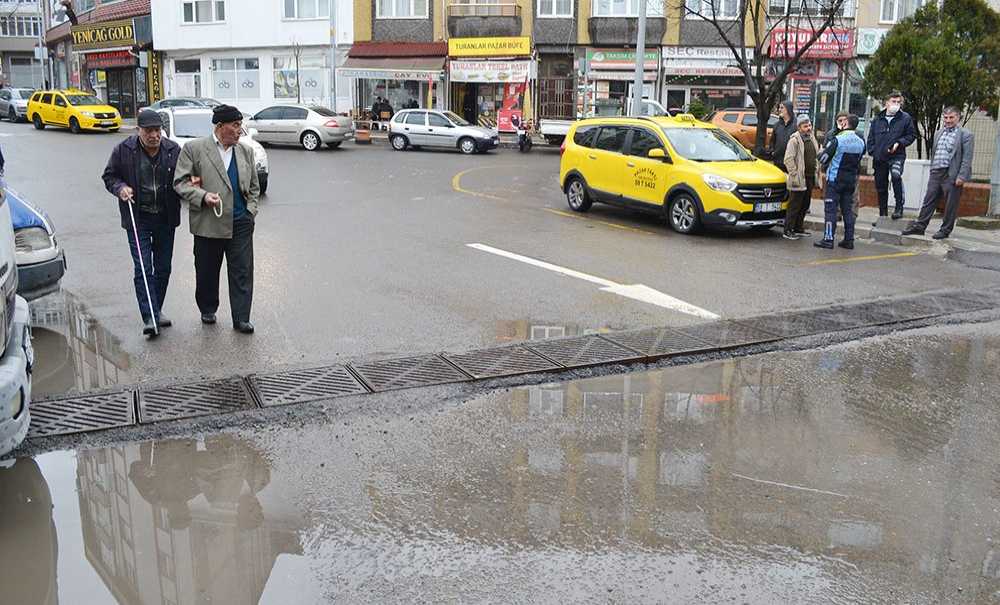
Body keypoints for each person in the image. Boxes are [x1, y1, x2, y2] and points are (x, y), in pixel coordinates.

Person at [174, 104, 260, 334]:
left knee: (242, 272)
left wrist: (250, 211)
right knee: (207, 271)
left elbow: (254, 187)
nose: (239, 130)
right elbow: (180, 183)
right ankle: (208, 308)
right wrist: (202, 196)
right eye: (235, 125)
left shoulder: (245, 152)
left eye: (240, 125)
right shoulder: (194, 149)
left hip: (241, 222)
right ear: (220, 126)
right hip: (208, 223)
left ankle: (241, 318)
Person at [101, 109, 182, 337]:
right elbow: (109, 176)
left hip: (166, 218)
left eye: (157, 130)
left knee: (163, 268)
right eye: (149, 131)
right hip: (138, 219)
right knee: (144, 268)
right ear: (139, 131)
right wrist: (120, 188)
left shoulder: (173, 150)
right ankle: (149, 317)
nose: (154, 135)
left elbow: (184, 177)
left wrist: (193, 183)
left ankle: (155, 309)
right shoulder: (124, 150)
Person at [902, 106, 974, 240]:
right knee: (929, 200)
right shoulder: (938, 133)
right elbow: (935, 152)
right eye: (946, 117)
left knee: (951, 203)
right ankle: (920, 227)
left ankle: (945, 230)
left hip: (952, 173)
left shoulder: (966, 135)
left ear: (958, 118)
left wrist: (962, 176)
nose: (948, 120)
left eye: (951, 117)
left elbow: (967, 158)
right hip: (936, 171)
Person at [814, 113, 865, 250]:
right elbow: (859, 160)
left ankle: (828, 239)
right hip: (851, 180)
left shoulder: (838, 139)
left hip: (835, 180)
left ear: (845, 124)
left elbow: (823, 158)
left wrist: (820, 152)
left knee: (830, 210)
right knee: (847, 211)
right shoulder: (861, 142)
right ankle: (849, 240)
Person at [866, 92, 917, 221]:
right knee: (881, 186)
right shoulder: (878, 119)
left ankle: (899, 207)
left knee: (896, 175)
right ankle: (883, 215)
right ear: (886, 103)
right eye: (893, 101)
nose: (896, 104)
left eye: (898, 102)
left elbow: (911, 136)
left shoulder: (905, 118)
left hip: (896, 155)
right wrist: (873, 151)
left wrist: (899, 143)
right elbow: (871, 138)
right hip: (880, 158)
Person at [782, 114, 819, 240]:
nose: (808, 128)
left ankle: (798, 227)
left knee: (805, 204)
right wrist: (794, 174)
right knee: (794, 205)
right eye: (805, 126)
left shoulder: (812, 138)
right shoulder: (794, 140)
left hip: (809, 177)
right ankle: (788, 229)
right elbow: (788, 159)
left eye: (809, 125)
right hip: (799, 178)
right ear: (799, 128)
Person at [771, 100, 796, 172]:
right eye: (779, 108)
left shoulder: (796, 125)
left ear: (788, 109)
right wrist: (773, 151)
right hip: (778, 162)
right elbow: (772, 141)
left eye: (782, 108)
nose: (779, 110)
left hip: (791, 162)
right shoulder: (777, 125)